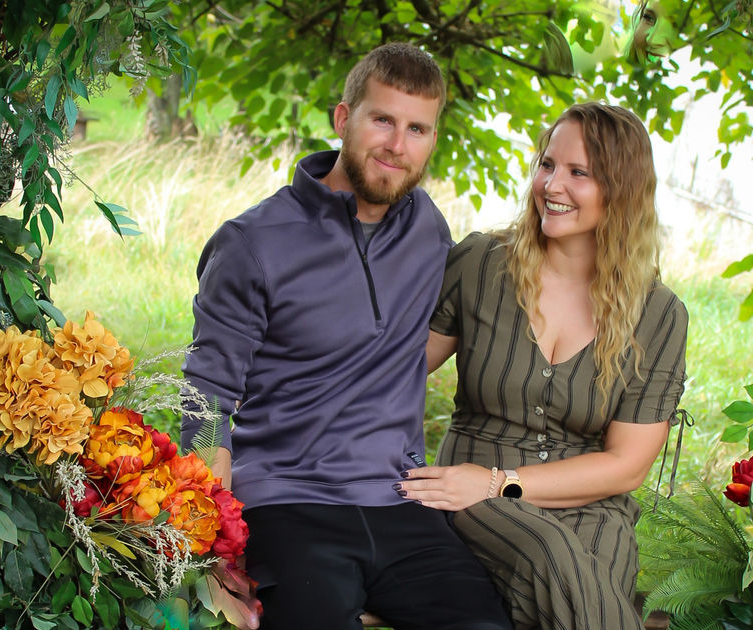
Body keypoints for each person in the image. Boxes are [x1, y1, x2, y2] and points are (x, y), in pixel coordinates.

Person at [181, 42, 512, 630]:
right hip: (288, 501)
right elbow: (205, 395)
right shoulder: (252, 244)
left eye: (417, 129)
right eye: (382, 120)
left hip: (402, 500)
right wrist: (213, 532)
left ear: (432, 139)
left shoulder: (427, 228)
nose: (397, 145)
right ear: (343, 119)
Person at [396, 102, 688, 629]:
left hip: (591, 500)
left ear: (621, 190)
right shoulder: (482, 264)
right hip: (472, 489)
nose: (552, 185)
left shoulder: (658, 314)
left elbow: (627, 465)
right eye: (547, 165)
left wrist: (502, 481)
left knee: (596, 575)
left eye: (578, 173)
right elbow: (394, 371)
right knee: (556, 560)